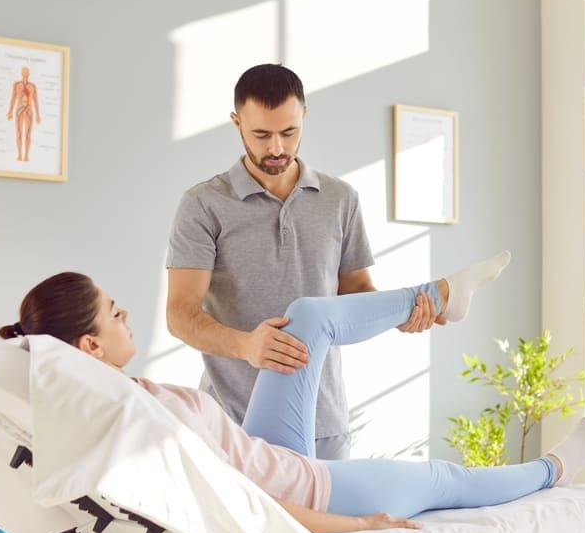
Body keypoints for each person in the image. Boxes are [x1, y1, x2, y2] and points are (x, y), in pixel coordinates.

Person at [0, 252, 585, 533]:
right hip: (304, 487)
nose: (124, 311)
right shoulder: (141, 419)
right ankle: (552, 471)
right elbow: (239, 504)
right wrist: (363, 527)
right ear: (89, 346)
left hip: (265, 451)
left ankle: (441, 296)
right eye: (111, 310)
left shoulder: (122, 396)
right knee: (445, 481)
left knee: (307, 316)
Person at [166, 63, 442, 460]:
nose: (276, 148)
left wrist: (403, 315)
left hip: (323, 423)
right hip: (230, 425)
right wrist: (248, 346)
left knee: (324, 523)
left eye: (288, 132)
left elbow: (358, 294)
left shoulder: (340, 199)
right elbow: (180, 313)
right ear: (236, 122)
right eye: (261, 134)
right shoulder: (203, 205)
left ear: (304, 118)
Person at [6, 66, 41, 162]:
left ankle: (26, 155)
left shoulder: (32, 87)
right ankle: (19, 154)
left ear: (29, 74)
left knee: (28, 133)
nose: (25, 73)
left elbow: (35, 100)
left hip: (29, 110)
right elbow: (13, 98)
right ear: (21, 73)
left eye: (27, 72)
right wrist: (10, 111)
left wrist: (38, 114)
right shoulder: (17, 85)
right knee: (19, 132)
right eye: (24, 72)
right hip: (19, 110)